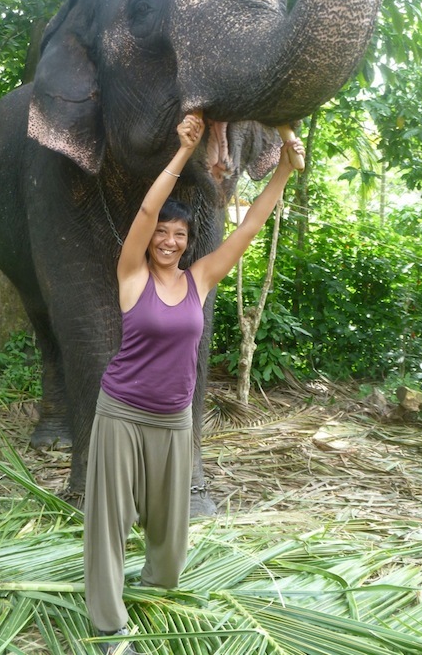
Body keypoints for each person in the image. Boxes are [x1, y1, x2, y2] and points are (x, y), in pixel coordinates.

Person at [84, 113, 305, 654]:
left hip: (173, 418)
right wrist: (183, 151)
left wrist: (282, 172)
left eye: (178, 235)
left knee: (169, 530)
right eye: (162, 233)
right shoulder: (131, 276)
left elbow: (249, 227)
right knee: (109, 522)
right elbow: (143, 210)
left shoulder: (198, 280)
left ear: (187, 243)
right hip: (122, 412)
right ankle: (109, 629)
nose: (168, 241)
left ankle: (155, 590)